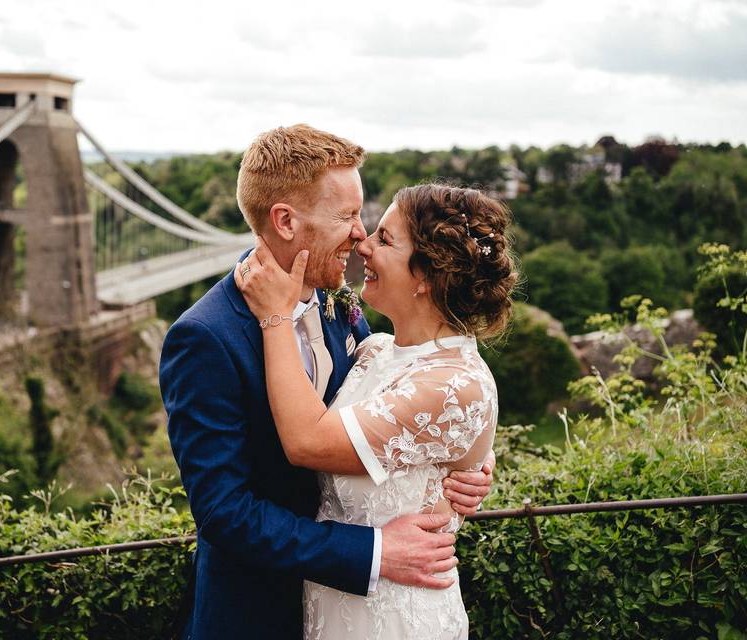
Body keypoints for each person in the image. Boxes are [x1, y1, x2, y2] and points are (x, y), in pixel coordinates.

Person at [159, 126, 494, 640]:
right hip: (258, 615)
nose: (360, 235)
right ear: (285, 221)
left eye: (366, 219)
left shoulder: (344, 308)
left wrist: (466, 462)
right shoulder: (205, 337)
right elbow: (224, 513)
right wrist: (376, 552)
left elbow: (414, 401)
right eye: (346, 217)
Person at [234, 183, 517, 639]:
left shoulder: (455, 385)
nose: (362, 244)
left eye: (384, 239)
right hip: (331, 605)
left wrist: (274, 317)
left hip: (397, 616)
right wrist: (476, 462)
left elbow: (308, 440)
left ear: (427, 275)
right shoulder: (373, 349)